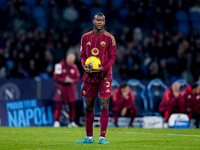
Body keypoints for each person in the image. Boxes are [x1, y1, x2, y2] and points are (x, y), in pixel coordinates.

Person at [75, 12, 116, 144]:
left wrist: (102, 68)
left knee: (104, 103)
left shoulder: (110, 38)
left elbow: (112, 57)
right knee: (88, 106)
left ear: (104, 22)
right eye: (97, 20)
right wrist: (84, 66)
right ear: (93, 21)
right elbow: (82, 56)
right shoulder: (85, 37)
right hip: (89, 75)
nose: (99, 22)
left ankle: (102, 137)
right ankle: (89, 137)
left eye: (101, 20)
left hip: (104, 75)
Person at [53, 53, 80, 127]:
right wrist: (64, 80)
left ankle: (72, 121)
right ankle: (56, 121)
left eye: (72, 61)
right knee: (59, 104)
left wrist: (72, 80)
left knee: (72, 105)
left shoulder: (74, 67)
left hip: (70, 88)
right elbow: (56, 77)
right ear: (67, 59)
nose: (71, 63)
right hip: (61, 87)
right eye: (70, 61)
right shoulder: (59, 66)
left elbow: (77, 78)